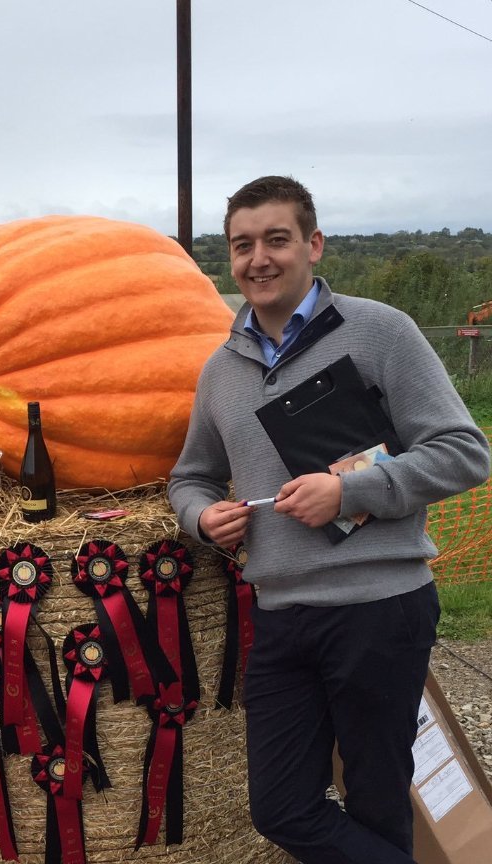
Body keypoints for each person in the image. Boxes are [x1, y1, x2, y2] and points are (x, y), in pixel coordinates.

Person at [168, 176, 489, 864]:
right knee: (280, 807)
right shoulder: (220, 370)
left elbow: (465, 452)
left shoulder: (382, 332)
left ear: (313, 245)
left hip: (380, 609)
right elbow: (189, 476)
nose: (260, 258)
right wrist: (201, 518)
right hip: (282, 615)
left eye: (276, 239)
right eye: (243, 244)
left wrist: (348, 493)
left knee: (378, 800)